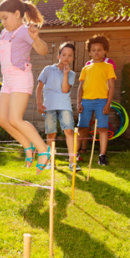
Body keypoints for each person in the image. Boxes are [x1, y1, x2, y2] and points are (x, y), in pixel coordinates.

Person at [0, 0, 50, 174]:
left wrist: (36, 39)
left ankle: (44, 150)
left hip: (21, 78)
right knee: (2, 119)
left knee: (15, 119)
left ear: (17, 14)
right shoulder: (4, 33)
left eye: (5, 18)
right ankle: (27, 146)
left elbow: (43, 51)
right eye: (1, 19)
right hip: (7, 81)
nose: (3, 22)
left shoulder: (24, 31)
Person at [36, 42, 80, 171]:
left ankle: (72, 163)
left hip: (64, 105)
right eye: (64, 54)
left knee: (69, 131)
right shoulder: (48, 69)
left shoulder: (71, 74)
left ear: (73, 58)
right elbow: (39, 88)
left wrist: (65, 74)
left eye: (69, 55)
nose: (66, 57)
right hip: (49, 105)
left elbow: (65, 90)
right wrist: (39, 103)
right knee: (51, 133)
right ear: (58, 56)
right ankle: (50, 162)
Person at [77, 35, 116, 166]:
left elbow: (111, 86)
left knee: (103, 128)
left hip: (102, 101)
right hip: (86, 101)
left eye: (99, 50)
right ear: (89, 52)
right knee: (82, 127)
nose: (96, 52)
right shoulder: (85, 68)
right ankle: (75, 154)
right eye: (93, 50)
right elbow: (80, 87)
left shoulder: (108, 67)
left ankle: (102, 156)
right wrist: (79, 103)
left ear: (105, 51)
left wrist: (108, 103)